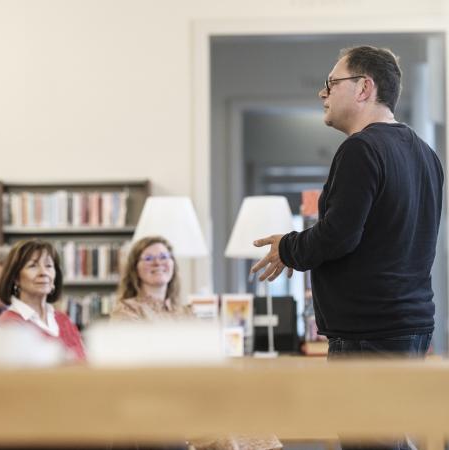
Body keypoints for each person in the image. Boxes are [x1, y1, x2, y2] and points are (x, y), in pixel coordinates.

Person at [251, 46, 443, 450]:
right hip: (408, 325)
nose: (323, 93)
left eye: (331, 83)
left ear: (364, 88)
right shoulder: (426, 154)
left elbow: (340, 234)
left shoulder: (361, 149)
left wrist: (288, 247)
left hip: (369, 333)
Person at [113, 236, 282, 450]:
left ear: (173, 265)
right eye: (148, 258)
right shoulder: (127, 310)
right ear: (135, 268)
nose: (158, 262)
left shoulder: (186, 311)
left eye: (164, 256)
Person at [0, 238, 85, 361]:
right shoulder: (10, 324)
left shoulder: (63, 319)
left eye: (49, 266)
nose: (43, 273)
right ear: (16, 278)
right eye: (33, 266)